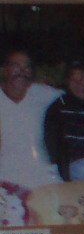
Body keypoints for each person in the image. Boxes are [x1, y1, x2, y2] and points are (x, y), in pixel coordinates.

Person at [0, 46, 63, 189]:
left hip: (41, 171)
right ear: (5, 70)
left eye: (27, 67)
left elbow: (76, 93)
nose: (22, 72)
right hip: (5, 173)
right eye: (16, 66)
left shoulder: (41, 92)